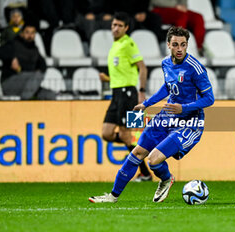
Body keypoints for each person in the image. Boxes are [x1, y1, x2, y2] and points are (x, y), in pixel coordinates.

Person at [89, 26, 215, 203]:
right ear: (168, 45)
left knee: (153, 160)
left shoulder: (195, 68)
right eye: (176, 44)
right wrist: (146, 104)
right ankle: (113, 196)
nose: (180, 49)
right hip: (167, 115)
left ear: (187, 46)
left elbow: (209, 99)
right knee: (137, 152)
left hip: (190, 122)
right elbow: (167, 87)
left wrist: (184, 108)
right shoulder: (165, 63)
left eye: (183, 45)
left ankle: (165, 179)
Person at [99, 12, 152, 182]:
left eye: (119, 26)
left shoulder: (128, 44)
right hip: (116, 94)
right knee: (106, 133)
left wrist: (141, 91)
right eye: (114, 25)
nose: (115, 28)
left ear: (126, 28)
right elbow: (121, 73)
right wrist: (107, 79)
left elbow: (143, 68)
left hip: (128, 93)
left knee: (126, 133)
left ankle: (145, 173)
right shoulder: (115, 45)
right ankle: (138, 150)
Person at [0, 23, 56, 100]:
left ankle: (29, 101)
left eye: (32, 33)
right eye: (27, 32)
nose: (30, 35)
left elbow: (43, 65)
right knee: (36, 75)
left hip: (28, 86)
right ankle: (24, 103)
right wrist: (11, 58)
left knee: (50, 94)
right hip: (10, 83)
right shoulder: (14, 44)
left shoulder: (35, 50)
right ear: (22, 34)